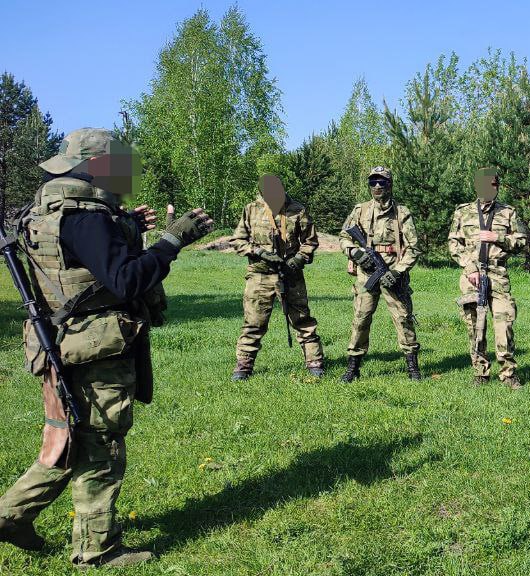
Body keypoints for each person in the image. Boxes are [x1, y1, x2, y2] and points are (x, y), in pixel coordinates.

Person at [0, 128, 214, 567]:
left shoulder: (47, 211)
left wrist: (125, 227)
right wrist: (172, 242)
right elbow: (127, 280)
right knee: (101, 446)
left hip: (60, 343)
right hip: (96, 350)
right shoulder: (87, 218)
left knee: (65, 444)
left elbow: (83, 262)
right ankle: (97, 551)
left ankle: (8, 516)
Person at [227, 175, 324, 380]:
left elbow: (310, 240)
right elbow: (237, 240)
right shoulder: (251, 209)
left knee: (302, 319)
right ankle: (243, 366)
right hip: (260, 274)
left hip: (291, 274)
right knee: (254, 322)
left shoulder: (298, 210)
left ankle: (314, 362)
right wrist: (257, 252)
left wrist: (299, 258)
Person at [448, 167, 530, 389]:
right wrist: (470, 267)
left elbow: (522, 241)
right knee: (475, 325)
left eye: (493, 185)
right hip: (472, 276)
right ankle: (480, 373)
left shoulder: (508, 212)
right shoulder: (463, 212)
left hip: (497, 274)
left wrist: (499, 237)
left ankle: (509, 373)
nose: (488, 189)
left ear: (497, 186)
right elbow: (454, 244)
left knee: (504, 323)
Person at [338, 166, 421, 382]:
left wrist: (398, 271)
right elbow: (344, 237)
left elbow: (414, 247)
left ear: (389, 185)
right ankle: (352, 368)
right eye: (373, 182)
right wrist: (355, 252)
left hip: (393, 272)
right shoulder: (360, 210)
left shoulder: (402, 213)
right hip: (366, 273)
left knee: (403, 319)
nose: (377, 186)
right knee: (361, 318)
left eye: (381, 182)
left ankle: (413, 368)